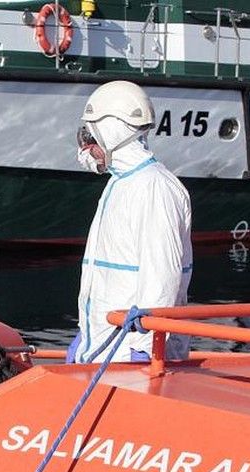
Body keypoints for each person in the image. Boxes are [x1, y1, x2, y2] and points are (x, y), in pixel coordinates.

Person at [69, 80, 193, 364]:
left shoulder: (154, 188)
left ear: (113, 131)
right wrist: (84, 337)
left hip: (129, 355)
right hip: (102, 349)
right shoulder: (121, 183)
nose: (86, 147)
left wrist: (145, 347)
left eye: (91, 136)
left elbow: (162, 278)